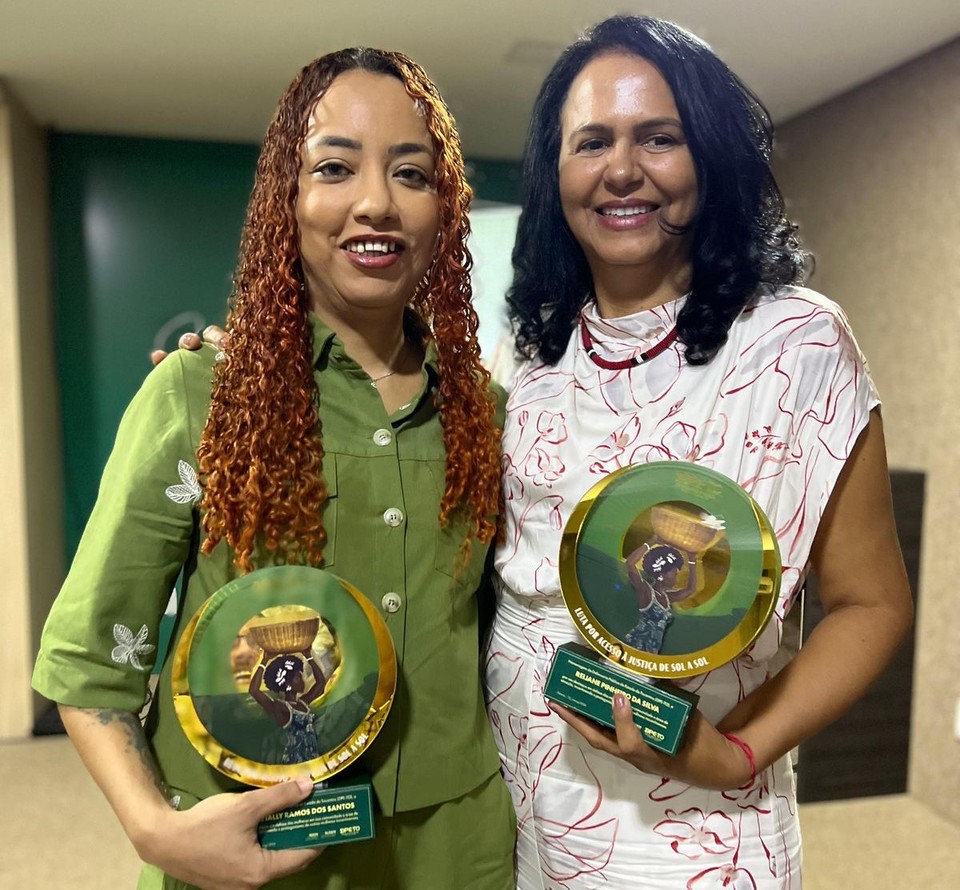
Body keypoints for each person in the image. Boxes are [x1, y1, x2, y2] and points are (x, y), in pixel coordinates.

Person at [33, 48, 514, 890]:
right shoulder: (197, 397)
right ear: (284, 201)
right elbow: (90, 664)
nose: (375, 202)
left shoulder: (486, 409)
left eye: (412, 172)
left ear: (447, 208)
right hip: (250, 844)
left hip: (458, 853)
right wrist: (155, 832)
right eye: (334, 167)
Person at [482, 15, 913, 889]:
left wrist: (739, 750)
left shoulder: (797, 342)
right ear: (554, 171)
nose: (622, 169)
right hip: (525, 807)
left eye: (659, 138)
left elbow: (871, 604)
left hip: (701, 832)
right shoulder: (527, 352)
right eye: (592, 141)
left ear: (709, 156)